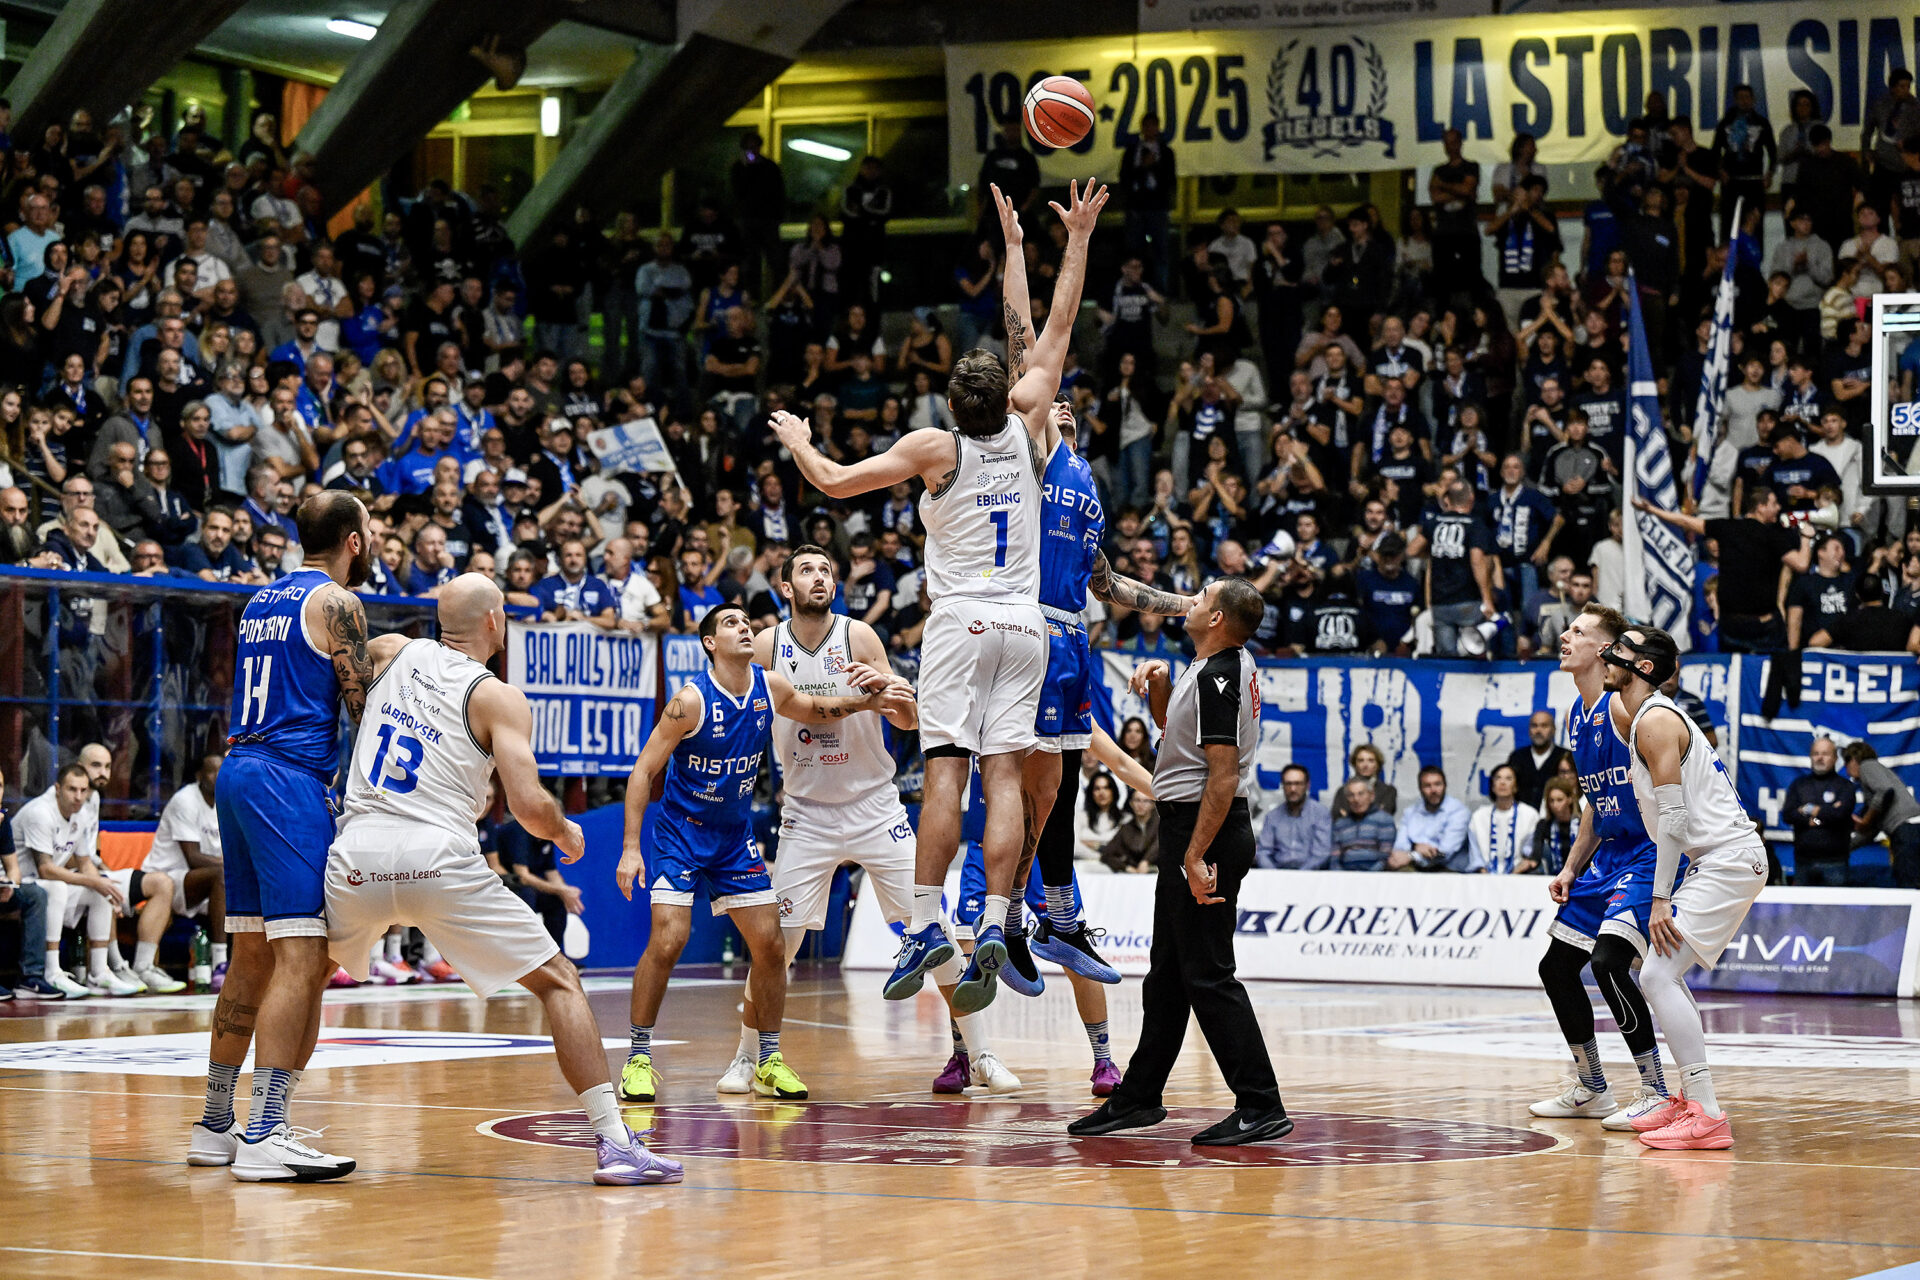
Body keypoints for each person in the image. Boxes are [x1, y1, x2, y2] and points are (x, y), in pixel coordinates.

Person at [767, 180, 1107, 1014]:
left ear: (953, 405)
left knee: (946, 773)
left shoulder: (933, 447)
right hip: (1026, 625)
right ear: (1011, 395)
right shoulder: (1033, 424)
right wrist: (1070, 241)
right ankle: (996, 918)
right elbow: (1053, 328)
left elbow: (835, 482)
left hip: (959, 621)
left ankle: (925, 924)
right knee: (1005, 779)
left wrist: (802, 443)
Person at [323, 575, 681, 1185]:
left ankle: (254, 1124)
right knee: (560, 983)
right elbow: (527, 807)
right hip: (437, 858)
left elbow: (335, 670)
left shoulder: (387, 651)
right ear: (494, 621)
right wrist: (564, 831)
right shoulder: (497, 696)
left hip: (357, 852)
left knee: (298, 975)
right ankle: (615, 1144)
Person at [715, 546, 1009, 1093]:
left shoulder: (860, 637)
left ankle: (981, 1054)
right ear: (786, 588)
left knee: (935, 930)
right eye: (807, 570)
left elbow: (909, 718)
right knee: (775, 946)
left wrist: (885, 691)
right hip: (806, 812)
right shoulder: (767, 646)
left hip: (875, 806)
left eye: (826, 570)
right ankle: (747, 1059)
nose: (819, 577)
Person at [614, 604, 910, 1104]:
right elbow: (643, 771)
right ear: (710, 643)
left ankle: (767, 1060)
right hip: (682, 833)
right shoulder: (689, 701)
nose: (744, 627)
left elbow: (815, 710)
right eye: (731, 623)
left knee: (772, 945)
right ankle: (638, 1058)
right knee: (669, 940)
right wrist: (629, 848)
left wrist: (867, 702)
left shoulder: (769, 686)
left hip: (733, 837)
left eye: (746, 622)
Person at [1069, 578, 1290, 1145]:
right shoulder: (1208, 666)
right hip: (1189, 825)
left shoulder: (1220, 676)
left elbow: (1223, 774)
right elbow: (1178, 736)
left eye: (1202, 597)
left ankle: (1261, 1103)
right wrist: (1162, 689)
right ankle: (1138, 1098)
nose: (1189, 600)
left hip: (1204, 828)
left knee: (1208, 974)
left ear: (1216, 619)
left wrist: (1194, 853)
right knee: (1167, 974)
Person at [194, 491, 375, 1182]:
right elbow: (363, 708)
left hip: (238, 771)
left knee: (249, 957)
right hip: (287, 781)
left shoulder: (259, 601)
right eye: (370, 531)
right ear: (353, 540)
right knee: (303, 957)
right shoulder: (338, 604)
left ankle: (215, 1125)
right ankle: (267, 1132)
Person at [1010, 385, 1191, 997]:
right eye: (1051, 400)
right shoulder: (1032, 463)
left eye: (1068, 403)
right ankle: (1009, 922)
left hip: (1072, 638)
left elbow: (1107, 583)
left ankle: (1060, 920)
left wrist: (1184, 603)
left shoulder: (1084, 484)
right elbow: (1028, 377)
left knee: (1063, 786)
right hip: (1032, 629)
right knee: (1033, 788)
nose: (1060, 405)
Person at [1607, 626, 1769, 1149]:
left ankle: (1707, 1113)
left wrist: (1660, 899)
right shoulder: (1645, 715)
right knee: (1663, 975)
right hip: (1719, 858)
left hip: (1727, 857)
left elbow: (1674, 820)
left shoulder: (1656, 720)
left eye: (1618, 649)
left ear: (1643, 667)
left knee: (1656, 974)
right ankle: (1693, 1098)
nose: (1609, 653)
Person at [1531, 602, 1680, 1132]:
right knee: (1555, 967)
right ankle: (1592, 1086)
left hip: (1648, 853)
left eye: (1578, 631)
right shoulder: (1578, 713)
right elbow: (1597, 801)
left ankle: (1655, 1090)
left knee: (1610, 963)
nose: (1565, 636)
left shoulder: (1628, 710)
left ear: (1604, 650)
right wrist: (1572, 867)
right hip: (1608, 856)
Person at [143, 752, 228, 988]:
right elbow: (193, 858)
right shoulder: (185, 800)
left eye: (222, 770)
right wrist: (233, 867)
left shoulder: (224, 802)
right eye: (212, 771)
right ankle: (220, 963)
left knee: (247, 882)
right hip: (164, 878)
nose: (218, 776)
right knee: (223, 876)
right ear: (199, 776)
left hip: (198, 881)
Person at [1844, 740, 1920, 889]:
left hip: (1907, 830)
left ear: (1854, 759)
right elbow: (1872, 829)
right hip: (1909, 829)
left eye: (1846, 761)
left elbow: (1885, 791)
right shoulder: (1877, 785)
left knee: (1909, 886)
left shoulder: (1867, 765)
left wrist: (1865, 820)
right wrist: (1843, 849)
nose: (1846, 768)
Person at [1785, 737, 1856, 886]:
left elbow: (1840, 815)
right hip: (1803, 861)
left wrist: (1809, 809)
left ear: (1835, 758)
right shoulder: (1799, 785)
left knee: (1835, 902)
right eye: (1816, 753)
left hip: (1835, 862)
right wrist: (1823, 815)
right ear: (1810, 757)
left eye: (1825, 754)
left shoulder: (1845, 786)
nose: (1820, 758)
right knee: (1801, 902)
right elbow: (1788, 814)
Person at [1389, 767, 1471, 871]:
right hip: (1415, 866)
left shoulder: (1459, 812)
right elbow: (1400, 847)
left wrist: (1412, 854)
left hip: (1448, 869)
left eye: (1437, 784)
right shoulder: (1410, 812)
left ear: (1445, 786)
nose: (1433, 790)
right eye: (1427, 786)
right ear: (1420, 789)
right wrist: (1415, 849)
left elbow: (1444, 853)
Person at [1254, 764, 1332, 869]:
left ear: (1307, 785)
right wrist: (1274, 874)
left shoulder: (1320, 813)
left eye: (1298, 783)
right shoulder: (1272, 816)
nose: (1293, 789)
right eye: (1288, 784)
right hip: (1278, 873)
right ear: (1283, 786)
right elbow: (1263, 852)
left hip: (1311, 874)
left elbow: (1321, 853)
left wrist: (1300, 875)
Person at [1469, 764, 1540, 873]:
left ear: (1516, 786)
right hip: (1483, 876)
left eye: (1508, 778)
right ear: (1492, 786)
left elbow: (1530, 853)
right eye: (1498, 778)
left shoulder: (1530, 815)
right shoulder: (1478, 816)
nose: (1502, 782)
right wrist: (1485, 875)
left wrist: (1515, 874)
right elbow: (1475, 857)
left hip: (1520, 875)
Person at [1505, 710, 1574, 809]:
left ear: (1553, 730)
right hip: (1521, 815)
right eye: (1534, 726)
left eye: (1544, 726)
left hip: (1557, 814)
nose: (1538, 730)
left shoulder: (1565, 757)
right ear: (1529, 730)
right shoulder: (1517, 757)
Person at [1330, 779, 1397, 870]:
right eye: (1351, 795)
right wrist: (1341, 876)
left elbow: (1385, 856)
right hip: (1345, 876)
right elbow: (1334, 858)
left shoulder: (1384, 820)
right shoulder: (1340, 824)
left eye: (1361, 794)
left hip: (1377, 875)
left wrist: (1366, 877)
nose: (1356, 799)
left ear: (1372, 796)